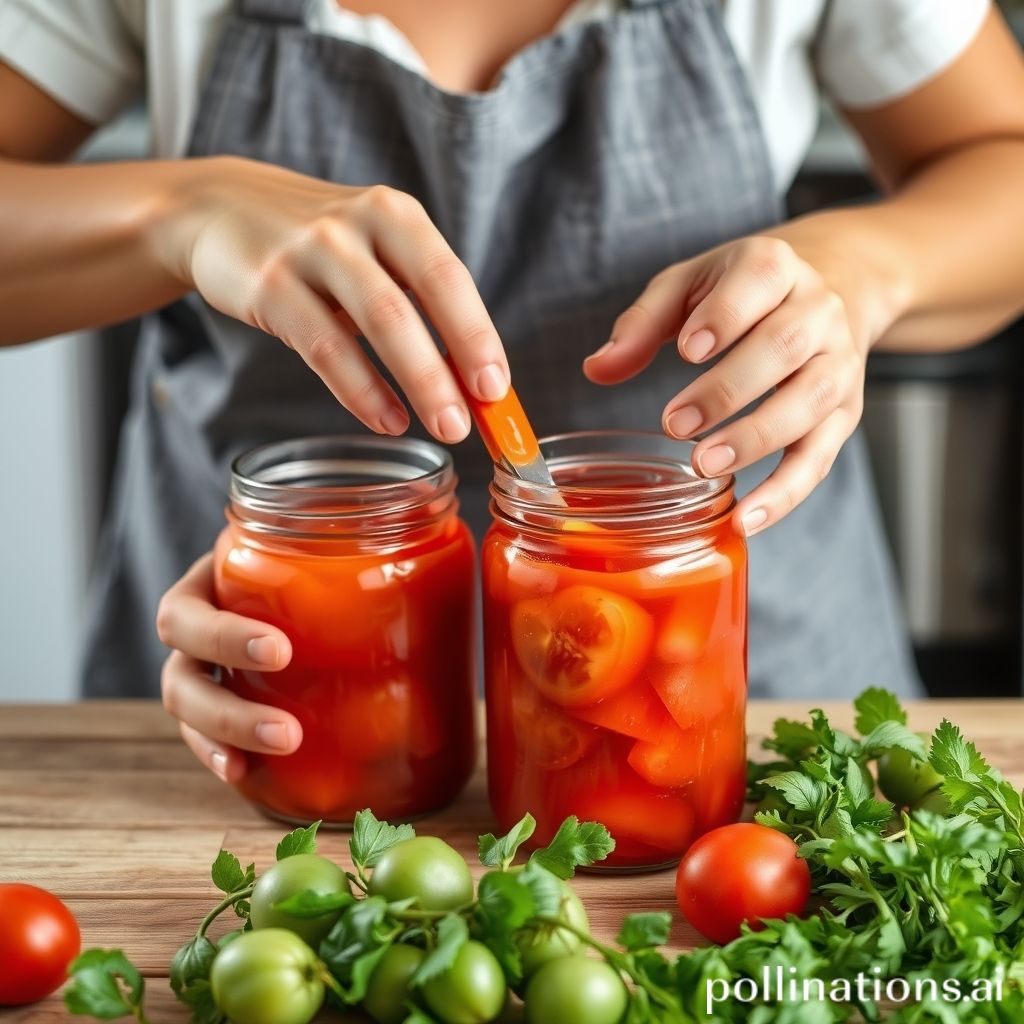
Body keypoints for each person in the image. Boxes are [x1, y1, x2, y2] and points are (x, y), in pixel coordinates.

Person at [1, 0, 1023, 783]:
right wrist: (179, 212)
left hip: (749, 709)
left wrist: (862, 268)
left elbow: (1000, 161)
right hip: (268, 705)